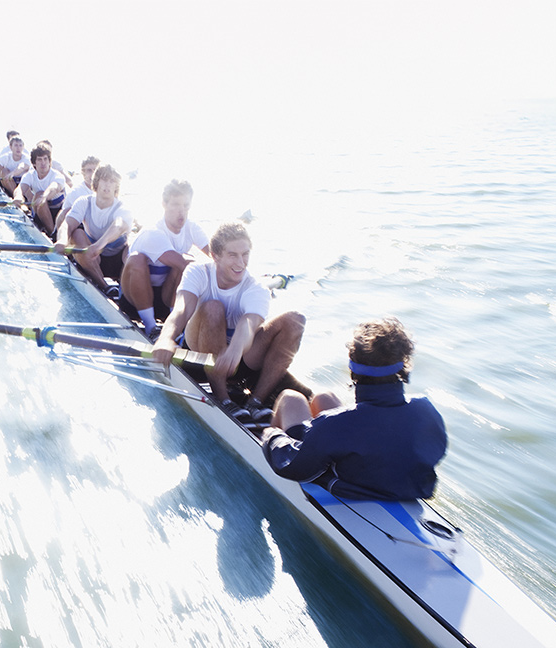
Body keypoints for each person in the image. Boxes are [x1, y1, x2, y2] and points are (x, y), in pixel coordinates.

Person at [261, 317, 448, 500]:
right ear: (403, 365)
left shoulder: (334, 424)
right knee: (324, 397)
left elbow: (294, 468)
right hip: (408, 489)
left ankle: (260, 437)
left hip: (350, 487)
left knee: (290, 398)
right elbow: (436, 451)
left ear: (353, 369)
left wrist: (272, 436)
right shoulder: (426, 409)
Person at [151, 222, 305, 421]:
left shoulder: (256, 288)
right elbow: (181, 309)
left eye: (245, 254)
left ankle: (256, 401)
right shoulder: (198, 272)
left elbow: (249, 323)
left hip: (239, 357)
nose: (241, 263)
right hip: (199, 353)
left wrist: (235, 349)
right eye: (233, 255)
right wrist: (165, 339)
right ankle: (223, 398)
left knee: (295, 320)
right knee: (213, 307)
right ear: (215, 256)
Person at [120, 179, 210, 337]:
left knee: (189, 260)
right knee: (137, 259)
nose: (181, 211)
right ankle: (151, 327)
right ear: (164, 204)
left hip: (164, 297)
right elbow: (182, 263)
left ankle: (174, 322)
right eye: (176, 205)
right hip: (133, 300)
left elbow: (216, 257)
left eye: (186, 205)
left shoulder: (192, 228)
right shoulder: (153, 231)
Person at [54, 164, 131, 289]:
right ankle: (105, 287)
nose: (108, 185)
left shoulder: (123, 207)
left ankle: (125, 290)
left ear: (116, 185)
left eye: (112, 181)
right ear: (97, 182)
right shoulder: (84, 202)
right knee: (76, 234)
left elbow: (118, 226)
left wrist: (99, 245)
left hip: (118, 260)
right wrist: (62, 240)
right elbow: (67, 223)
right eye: (105, 180)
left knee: (134, 248)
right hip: (92, 259)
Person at [15, 144, 68, 234]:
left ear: (49, 161)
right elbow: (20, 188)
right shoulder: (29, 175)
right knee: (39, 197)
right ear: (34, 163)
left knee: (39, 195)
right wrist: (18, 197)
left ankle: (54, 234)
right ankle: (52, 233)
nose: (43, 163)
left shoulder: (57, 175)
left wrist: (44, 196)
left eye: (45, 159)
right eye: (39, 159)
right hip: (40, 210)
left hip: (58, 212)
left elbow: (54, 187)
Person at [55, 156, 100, 232]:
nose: (93, 174)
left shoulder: (105, 190)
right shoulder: (76, 192)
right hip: (80, 226)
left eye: (95, 170)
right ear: (83, 173)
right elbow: (63, 215)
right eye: (89, 170)